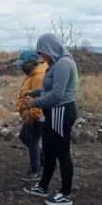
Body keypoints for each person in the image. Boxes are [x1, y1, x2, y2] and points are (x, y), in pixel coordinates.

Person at [23, 33, 79, 205]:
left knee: (62, 153)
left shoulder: (63, 64)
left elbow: (56, 95)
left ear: (50, 48)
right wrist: (34, 92)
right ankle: (43, 186)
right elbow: (49, 88)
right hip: (53, 113)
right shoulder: (56, 63)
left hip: (60, 112)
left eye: (42, 52)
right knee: (48, 151)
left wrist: (34, 102)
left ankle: (65, 193)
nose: (41, 56)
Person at [13, 49, 48, 181]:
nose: (21, 67)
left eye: (23, 64)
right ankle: (42, 160)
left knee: (32, 141)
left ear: (31, 63)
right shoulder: (33, 74)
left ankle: (35, 170)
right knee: (24, 137)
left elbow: (38, 100)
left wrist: (32, 116)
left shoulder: (38, 76)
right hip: (33, 114)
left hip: (37, 116)